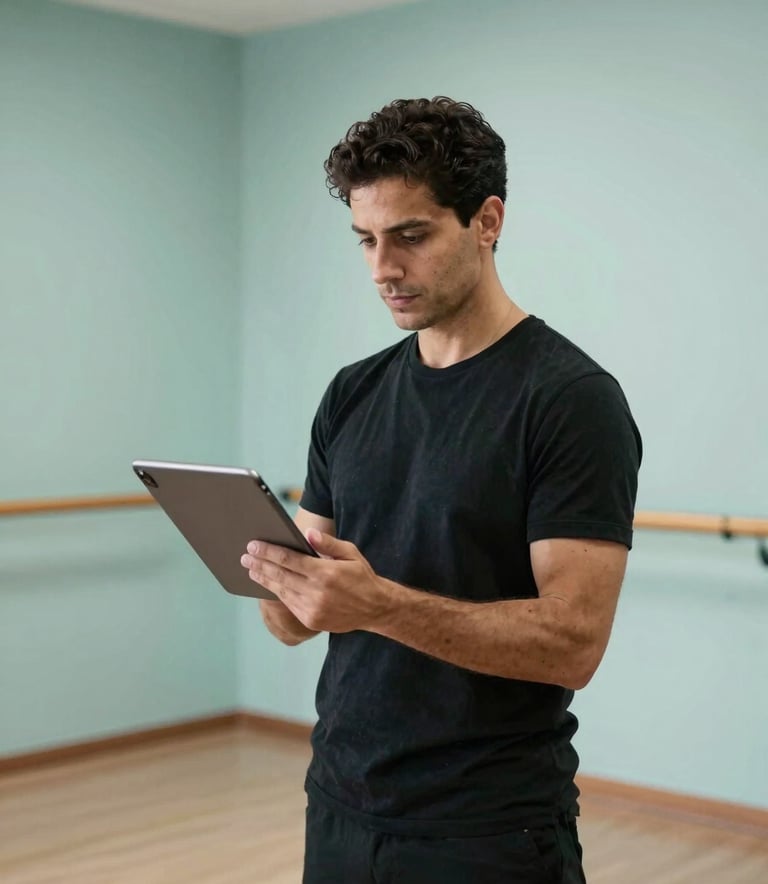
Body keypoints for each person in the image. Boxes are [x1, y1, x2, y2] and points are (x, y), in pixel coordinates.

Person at [240, 96, 642, 883]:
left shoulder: (570, 400)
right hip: (341, 804)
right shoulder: (351, 393)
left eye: (411, 236)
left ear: (487, 221)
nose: (382, 268)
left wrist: (378, 605)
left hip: (486, 830)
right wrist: (278, 583)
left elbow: (575, 642)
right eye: (366, 240)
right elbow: (293, 621)